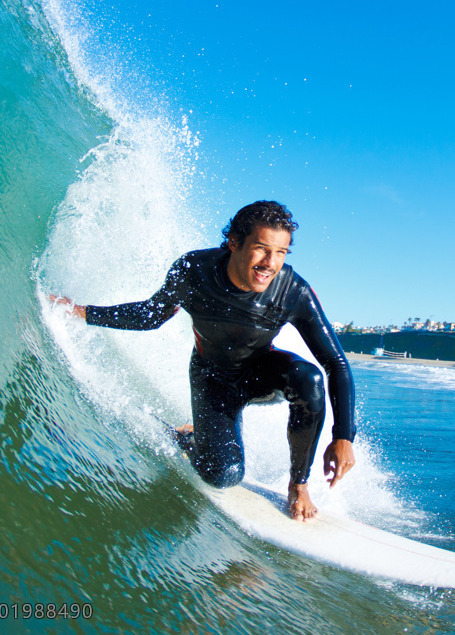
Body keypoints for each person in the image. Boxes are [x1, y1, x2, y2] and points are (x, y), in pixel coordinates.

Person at [49, 201, 356, 521]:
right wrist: (82, 311)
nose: (270, 263)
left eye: (281, 252)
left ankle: (298, 485)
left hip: (261, 374)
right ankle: (190, 436)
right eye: (262, 248)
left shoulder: (293, 291)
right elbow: (149, 316)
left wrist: (344, 436)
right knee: (224, 475)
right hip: (212, 379)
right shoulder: (195, 272)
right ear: (234, 243)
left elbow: (335, 363)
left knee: (309, 380)